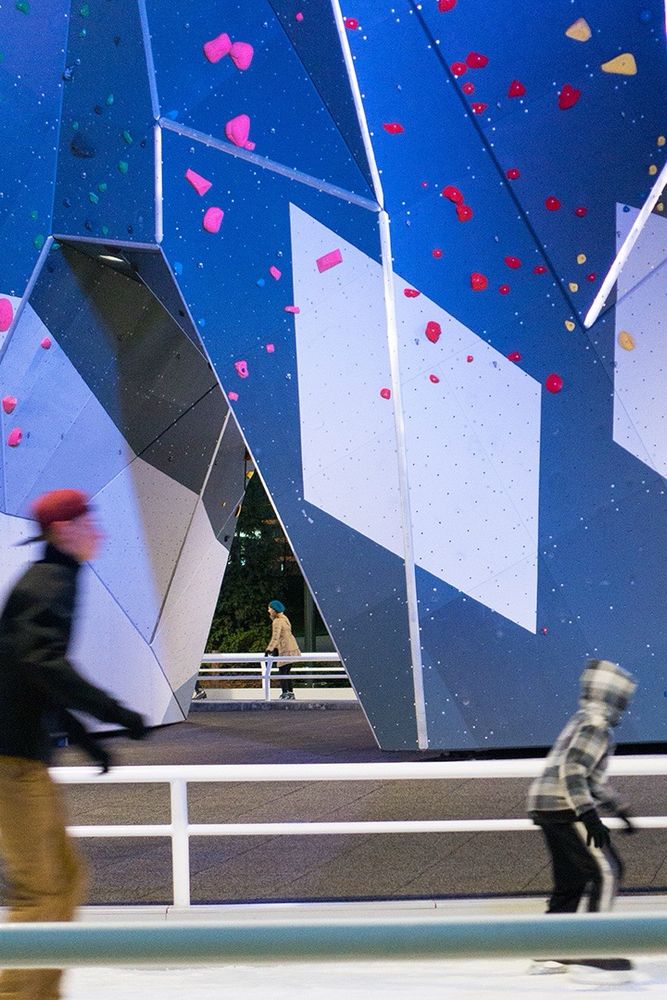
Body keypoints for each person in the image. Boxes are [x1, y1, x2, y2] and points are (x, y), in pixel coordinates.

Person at [0, 489, 148, 1000]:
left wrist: (89, 742)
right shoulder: (49, 583)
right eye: (90, 521)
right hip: (9, 764)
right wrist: (113, 714)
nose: (99, 531)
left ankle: (41, 992)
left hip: (23, 760)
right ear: (64, 528)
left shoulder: (56, 579)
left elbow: (35, 677)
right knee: (42, 886)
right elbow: (41, 664)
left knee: (63, 880)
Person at [526, 658, 637, 982]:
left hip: (547, 806)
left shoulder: (583, 719)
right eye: (623, 699)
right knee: (608, 870)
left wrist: (618, 808)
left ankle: (552, 950)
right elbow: (573, 771)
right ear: (612, 697)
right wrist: (590, 817)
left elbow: (588, 777)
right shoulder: (596, 726)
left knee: (571, 879)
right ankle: (592, 950)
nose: (626, 707)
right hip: (564, 808)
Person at [265, 599, 300, 700]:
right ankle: (290, 693)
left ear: (274, 610)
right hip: (292, 647)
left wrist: (269, 650)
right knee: (287, 672)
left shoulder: (277, 621)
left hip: (285, 649)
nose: (268, 611)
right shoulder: (285, 618)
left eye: (270, 608)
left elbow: (276, 637)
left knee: (282, 672)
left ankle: (285, 693)